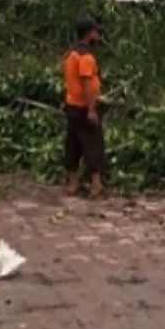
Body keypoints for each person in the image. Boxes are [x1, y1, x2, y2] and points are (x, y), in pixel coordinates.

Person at [63, 18, 105, 198]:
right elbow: (87, 83)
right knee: (92, 144)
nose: (97, 35)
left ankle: (73, 182)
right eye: (95, 31)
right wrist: (91, 109)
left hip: (71, 105)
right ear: (88, 34)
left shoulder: (72, 53)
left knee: (73, 143)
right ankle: (96, 184)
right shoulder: (86, 57)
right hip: (83, 107)